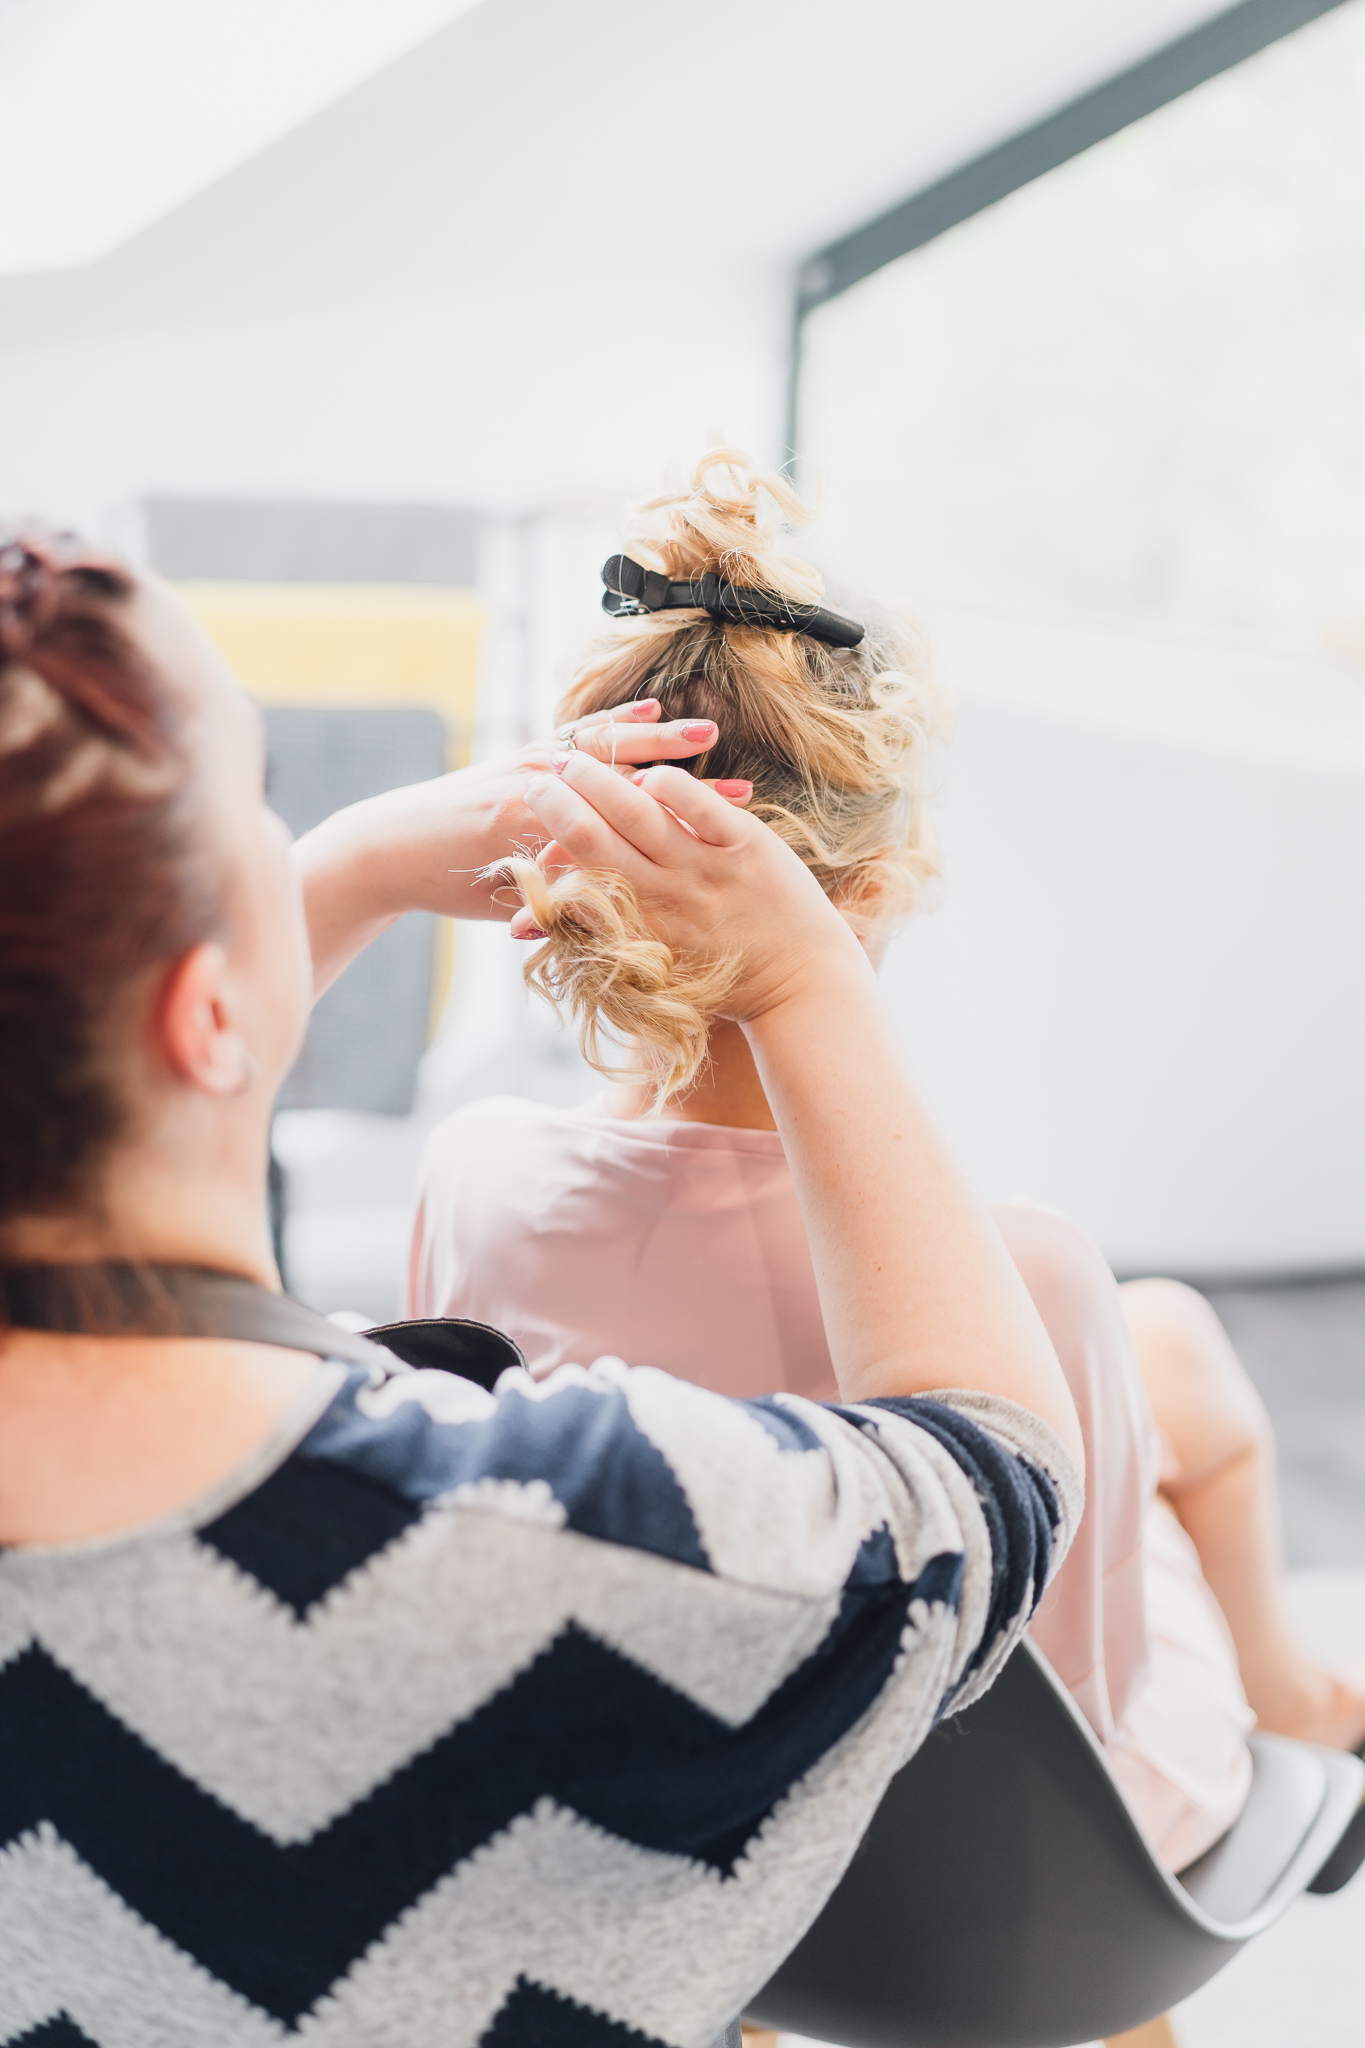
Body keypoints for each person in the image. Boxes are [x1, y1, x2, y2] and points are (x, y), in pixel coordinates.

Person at [0, 531, 1081, 2048]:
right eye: (258, 813)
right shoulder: (587, 1547)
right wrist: (795, 978)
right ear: (206, 1009)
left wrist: (341, 866)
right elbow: (991, 1482)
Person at [408, 449, 1365, 1881]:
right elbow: (1077, 1695)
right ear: (868, 886)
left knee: (1162, 1344)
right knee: (1167, 1389)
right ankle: (1304, 1704)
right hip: (1001, 1874)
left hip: (651, 1810)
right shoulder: (1023, 1273)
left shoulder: (475, 1176)